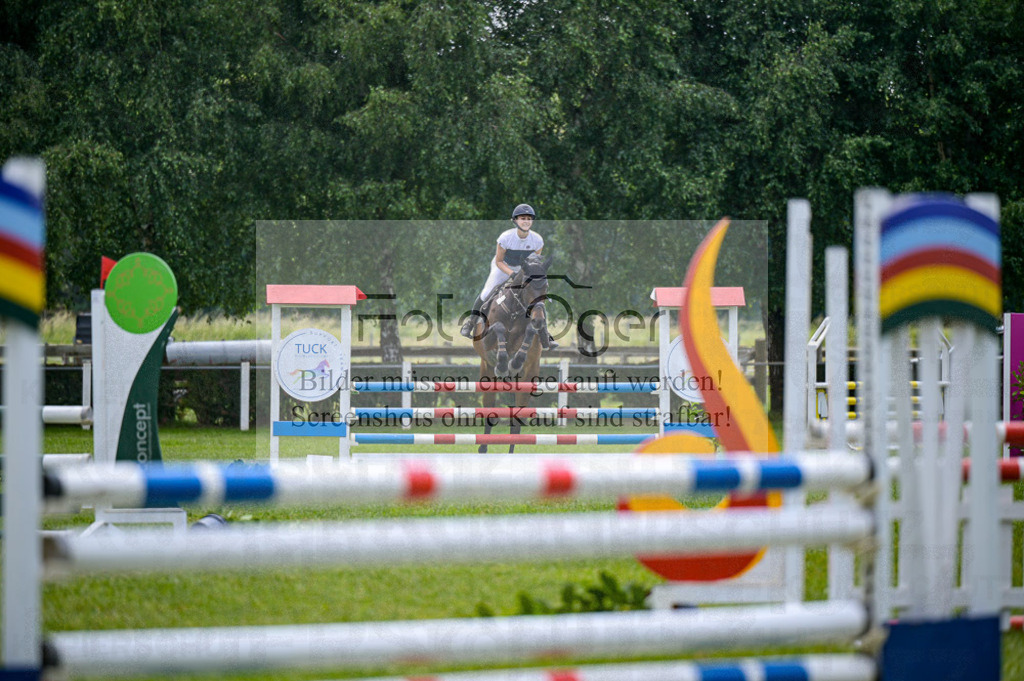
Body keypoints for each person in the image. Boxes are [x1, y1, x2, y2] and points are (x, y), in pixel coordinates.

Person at [460, 203, 557, 348]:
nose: (526, 221)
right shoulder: (505, 237)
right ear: (515, 220)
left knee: (537, 297)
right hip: (502, 267)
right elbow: (499, 261)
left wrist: (527, 275)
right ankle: (471, 322)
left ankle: (545, 335)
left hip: (524, 269)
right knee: (486, 293)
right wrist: (512, 274)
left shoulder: (537, 240)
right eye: (523, 218)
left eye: (529, 218)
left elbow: (534, 263)